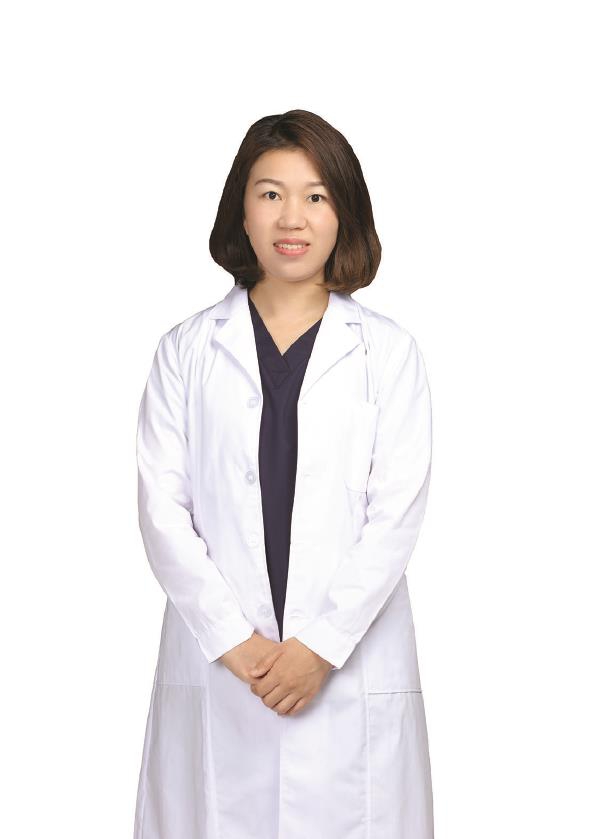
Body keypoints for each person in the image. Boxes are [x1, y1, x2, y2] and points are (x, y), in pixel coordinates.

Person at [133, 109, 434, 839]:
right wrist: (233, 641)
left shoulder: (388, 354)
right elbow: (162, 510)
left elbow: (395, 517)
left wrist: (321, 647)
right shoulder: (186, 351)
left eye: (315, 196)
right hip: (220, 667)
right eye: (270, 193)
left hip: (349, 667)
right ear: (241, 209)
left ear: (343, 213)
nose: (291, 217)